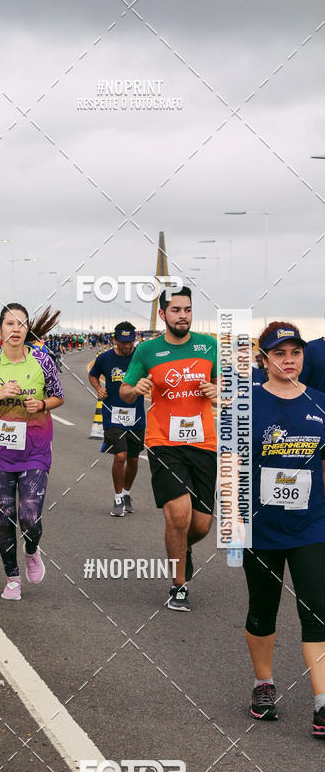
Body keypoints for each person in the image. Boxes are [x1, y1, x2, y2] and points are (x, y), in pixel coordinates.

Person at [242, 322, 325, 737]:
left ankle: (322, 702)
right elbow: (231, 465)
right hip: (261, 527)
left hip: (311, 525)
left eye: (295, 352)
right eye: (279, 353)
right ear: (264, 359)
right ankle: (263, 684)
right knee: (263, 609)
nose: (289, 360)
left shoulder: (320, 403)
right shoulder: (247, 403)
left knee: (317, 610)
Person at [119, 286, 218, 611]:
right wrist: (137, 388)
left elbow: (227, 388)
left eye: (187, 309)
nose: (183, 316)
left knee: (201, 524)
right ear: (163, 314)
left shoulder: (209, 346)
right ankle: (178, 585)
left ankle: (181, 548)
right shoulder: (147, 351)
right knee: (178, 515)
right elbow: (125, 392)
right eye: (176, 310)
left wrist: (217, 391)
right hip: (164, 442)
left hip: (203, 442)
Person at [0, 304, 65, 601]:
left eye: (21, 324)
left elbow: (59, 396)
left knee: (30, 518)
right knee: (5, 519)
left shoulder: (42, 360)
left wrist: (43, 405)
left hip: (35, 449)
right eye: (10, 323)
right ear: (0, 328)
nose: (16, 329)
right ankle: (12, 578)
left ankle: (32, 550)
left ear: (27, 329)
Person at [89, 322, 146, 515]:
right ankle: (118, 497)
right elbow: (93, 375)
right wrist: (98, 388)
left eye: (130, 341)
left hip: (136, 416)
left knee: (133, 458)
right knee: (120, 456)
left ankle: (127, 492)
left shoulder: (141, 357)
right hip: (112, 415)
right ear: (115, 340)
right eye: (123, 342)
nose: (127, 345)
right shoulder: (105, 358)